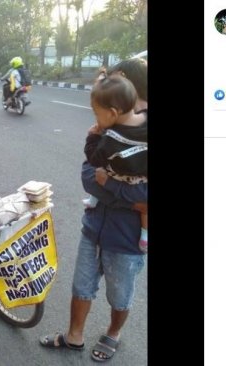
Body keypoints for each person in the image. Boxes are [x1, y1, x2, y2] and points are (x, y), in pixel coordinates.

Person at [39, 59, 148, 362]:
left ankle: (113, 333)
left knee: (120, 293)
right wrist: (128, 197)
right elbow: (90, 176)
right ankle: (74, 336)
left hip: (126, 238)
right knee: (81, 284)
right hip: (95, 226)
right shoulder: (108, 130)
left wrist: (112, 187)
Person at [82, 75, 148, 253]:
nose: (96, 118)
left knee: (102, 170)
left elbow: (92, 158)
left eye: (96, 113)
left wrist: (92, 137)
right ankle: (145, 235)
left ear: (112, 113)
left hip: (119, 178)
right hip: (141, 179)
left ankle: (94, 198)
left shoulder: (109, 141)